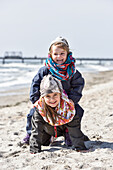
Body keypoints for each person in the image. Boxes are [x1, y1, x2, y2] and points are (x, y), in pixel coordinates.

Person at [22, 36, 89, 145]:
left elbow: (78, 84)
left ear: (68, 54)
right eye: (55, 54)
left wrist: (73, 99)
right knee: (32, 113)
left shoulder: (71, 71)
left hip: (65, 101)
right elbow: (35, 84)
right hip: (48, 101)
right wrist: (35, 100)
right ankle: (30, 133)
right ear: (50, 55)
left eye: (62, 53)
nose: (59, 57)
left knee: (78, 111)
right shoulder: (45, 70)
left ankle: (69, 132)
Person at [30, 75, 88, 153]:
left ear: (60, 94)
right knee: (44, 142)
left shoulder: (68, 108)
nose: (52, 99)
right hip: (49, 130)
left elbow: (74, 128)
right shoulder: (40, 109)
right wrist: (34, 149)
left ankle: (68, 135)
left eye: (55, 95)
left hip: (65, 128)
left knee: (73, 138)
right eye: (48, 96)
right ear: (43, 97)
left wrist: (80, 147)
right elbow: (36, 130)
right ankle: (51, 137)